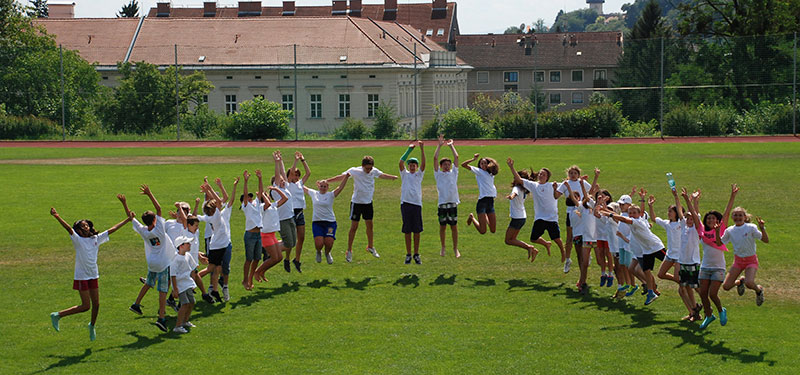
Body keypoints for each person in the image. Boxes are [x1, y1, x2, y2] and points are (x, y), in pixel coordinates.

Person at [49, 196, 133, 341]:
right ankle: (58, 315)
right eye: (83, 226)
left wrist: (127, 219)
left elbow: (112, 229)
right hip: (82, 275)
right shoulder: (77, 240)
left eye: (87, 225)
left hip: (93, 274)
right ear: (79, 231)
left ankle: (92, 326)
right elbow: (68, 228)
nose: (86, 227)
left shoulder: (96, 239)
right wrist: (57, 217)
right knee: (86, 306)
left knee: (97, 304)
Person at [326, 155, 398, 262]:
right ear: (362, 166)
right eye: (367, 168)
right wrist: (327, 181)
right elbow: (341, 177)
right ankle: (349, 251)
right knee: (354, 227)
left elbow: (381, 175)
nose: (369, 171)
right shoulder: (355, 171)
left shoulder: (373, 171)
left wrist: (392, 177)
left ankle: (370, 246)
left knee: (370, 226)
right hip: (357, 203)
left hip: (368, 203)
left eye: (370, 168)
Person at [602, 190, 666, 306]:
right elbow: (624, 217)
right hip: (646, 249)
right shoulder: (633, 219)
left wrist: (609, 214)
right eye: (630, 212)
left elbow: (625, 219)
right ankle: (651, 292)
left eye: (633, 213)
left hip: (655, 246)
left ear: (638, 214)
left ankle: (681, 274)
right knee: (644, 270)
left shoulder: (637, 221)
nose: (631, 214)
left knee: (671, 262)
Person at [128, 185, 176, 332]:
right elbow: (159, 208)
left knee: (149, 283)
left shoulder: (143, 231)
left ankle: (136, 304)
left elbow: (131, 218)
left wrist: (124, 204)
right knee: (163, 291)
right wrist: (149, 194)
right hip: (163, 263)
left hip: (152, 262)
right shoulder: (160, 229)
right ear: (155, 219)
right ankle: (161, 318)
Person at [691, 184, 738, 329]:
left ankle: (720, 310)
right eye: (708, 219)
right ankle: (709, 315)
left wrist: (733, 196)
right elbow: (694, 215)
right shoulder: (702, 231)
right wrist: (691, 200)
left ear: (717, 221)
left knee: (712, 294)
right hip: (705, 266)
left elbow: (727, 212)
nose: (711, 220)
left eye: (713, 218)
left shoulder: (722, 229)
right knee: (703, 293)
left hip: (718, 267)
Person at [718, 206, 768, 306]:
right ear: (732, 217)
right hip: (738, 261)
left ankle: (759, 290)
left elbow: (765, 240)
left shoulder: (751, 227)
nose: (738, 217)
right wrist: (716, 231)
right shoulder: (730, 230)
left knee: (749, 283)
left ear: (745, 217)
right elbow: (720, 243)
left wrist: (762, 228)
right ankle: (739, 282)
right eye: (735, 215)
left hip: (751, 260)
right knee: (726, 286)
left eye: (740, 215)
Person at [553, 166, 599, 273]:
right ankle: (568, 260)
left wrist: (596, 177)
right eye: (571, 173)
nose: (573, 175)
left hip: (583, 211)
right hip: (571, 213)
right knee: (570, 238)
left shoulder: (581, 182)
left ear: (578, 174)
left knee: (585, 234)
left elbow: (590, 191)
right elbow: (556, 196)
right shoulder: (565, 183)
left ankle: (588, 254)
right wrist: (555, 188)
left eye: (575, 173)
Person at [197, 179, 236, 303]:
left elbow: (197, 217)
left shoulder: (209, 217)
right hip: (218, 247)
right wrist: (209, 189)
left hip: (218, 246)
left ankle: (214, 290)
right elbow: (220, 201)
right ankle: (194, 279)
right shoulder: (217, 215)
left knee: (217, 269)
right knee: (211, 268)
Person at [304, 174, 350, 264]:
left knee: (329, 242)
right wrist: (292, 179)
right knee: (319, 243)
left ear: (328, 187)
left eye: (325, 186)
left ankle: (327, 253)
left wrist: (346, 177)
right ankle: (318, 252)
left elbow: (340, 188)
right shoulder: (314, 193)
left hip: (330, 222)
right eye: (321, 186)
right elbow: (301, 186)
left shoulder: (331, 195)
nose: (323, 188)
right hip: (317, 222)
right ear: (318, 186)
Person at [253, 179, 289, 283]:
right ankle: (257, 272)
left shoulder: (273, 206)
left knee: (279, 258)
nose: (268, 197)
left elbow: (285, 198)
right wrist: (262, 195)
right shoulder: (262, 207)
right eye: (266, 196)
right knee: (274, 258)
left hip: (272, 234)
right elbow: (267, 203)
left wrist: (276, 189)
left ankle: (262, 271)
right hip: (265, 236)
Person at [398, 141, 426, 264]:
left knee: (417, 230)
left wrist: (422, 149)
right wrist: (409, 150)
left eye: (414, 165)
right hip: (406, 204)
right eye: (410, 165)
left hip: (417, 205)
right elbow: (400, 162)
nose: (412, 166)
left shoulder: (419, 175)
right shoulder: (405, 174)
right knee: (407, 230)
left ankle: (416, 254)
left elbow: (424, 164)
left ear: (417, 166)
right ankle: (408, 254)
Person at [505, 158, 539, 261]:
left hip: (517, 218)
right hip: (522, 217)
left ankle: (530, 248)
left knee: (508, 240)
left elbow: (514, 193)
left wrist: (511, 196)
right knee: (513, 239)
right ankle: (530, 248)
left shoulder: (516, 188)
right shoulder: (524, 189)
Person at [433, 135, 461, 258]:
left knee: (454, 227)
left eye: (448, 164)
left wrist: (451, 146)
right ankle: (443, 247)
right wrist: (439, 146)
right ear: (441, 166)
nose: (447, 166)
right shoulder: (438, 174)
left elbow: (457, 157)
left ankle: (455, 248)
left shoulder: (454, 173)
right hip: (442, 203)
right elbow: (434, 158)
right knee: (442, 227)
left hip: (453, 202)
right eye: (444, 164)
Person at [271, 151, 298, 272]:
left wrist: (281, 160)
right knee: (288, 244)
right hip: (282, 220)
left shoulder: (285, 188)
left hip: (290, 217)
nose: (283, 181)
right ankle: (268, 249)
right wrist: (276, 163)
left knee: (293, 243)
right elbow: (278, 175)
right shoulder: (275, 190)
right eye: (280, 180)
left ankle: (270, 246)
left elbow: (282, 173)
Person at [679, 188, 703, 321]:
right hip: (683, 262)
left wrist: (693, 200)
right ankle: (695, 312)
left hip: (693, 262)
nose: (689, 220)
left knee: (697, 288)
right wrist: (677, 196)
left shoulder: (696, 229)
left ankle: (706, 303)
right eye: (687, 218)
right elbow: (680, 212)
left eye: (691, 218)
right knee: (687, 287)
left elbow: (696, 214)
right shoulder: (684, 228)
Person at [462, 153, 499, 235]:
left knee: (493, 230)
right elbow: (463, 165)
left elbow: (495, 167)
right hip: (482, 203)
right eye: (481, 163)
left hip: (491, 202)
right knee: (483, 231)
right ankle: (472, 217)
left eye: (485, 163)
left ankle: (484, 215)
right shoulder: (479, 171)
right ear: (479, 165)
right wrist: (473, 159)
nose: (483, 165)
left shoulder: (491, 174)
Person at [287, 151, 311, 271]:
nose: (296, 177)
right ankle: (286, 257)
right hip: (290, 212)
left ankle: (297, 260)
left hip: (300, 212)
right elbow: (290, 173)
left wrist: (303, 159)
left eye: (297, 175)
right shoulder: (288, 184)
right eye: (294, 175)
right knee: (291, 239)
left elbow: (308, 172)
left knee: (301, 238)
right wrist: (295, 160)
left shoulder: (300, 183)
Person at [240, 170, 262, 291]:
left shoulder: (256, 204)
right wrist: (245, 181)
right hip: (250, 235)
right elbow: (245, 193)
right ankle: (245, 279)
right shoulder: (246, 206)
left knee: (257, 258)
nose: (251, 197)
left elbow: (261, 192)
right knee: (249, 259)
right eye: (248, 196)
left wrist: (260, 178)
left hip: (258, 234)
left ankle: (250, 279)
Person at [170, 236, 197, 333]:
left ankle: (185, 321)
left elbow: (193, 269)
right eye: (187, 243)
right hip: (180, 285)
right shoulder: (176, 259)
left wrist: (192, 283)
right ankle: (178, 326)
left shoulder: (188, 256)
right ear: (181, 246)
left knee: (192, 302)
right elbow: (172, 275)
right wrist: (175, 289)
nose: (190, 245)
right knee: (185, 304)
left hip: (187, 283)